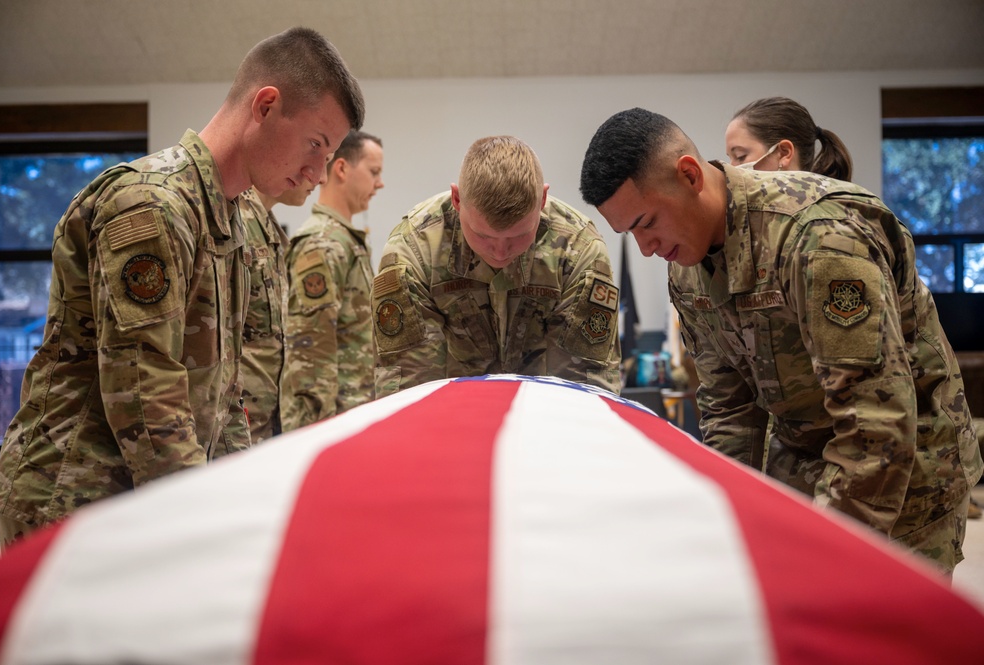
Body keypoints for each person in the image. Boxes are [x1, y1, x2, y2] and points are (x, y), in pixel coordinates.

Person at [0, 27, 365, 549]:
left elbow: (227, 388)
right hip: (74, 499)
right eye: (316, 145)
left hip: (139, 496)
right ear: (265, 105)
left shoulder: (229, 220)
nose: (318, 171)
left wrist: (238, 498)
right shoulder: (154, 206)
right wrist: (202, 524)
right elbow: (145, 393)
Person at [579, 107, 983, 574]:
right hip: (806, 462)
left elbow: (876, 422)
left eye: (647, 222)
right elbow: (729, 408)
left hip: (907, 478)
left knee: (890, 637)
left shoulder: (818, 236)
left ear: (689, 175)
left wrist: (825, 550)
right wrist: (736, 519)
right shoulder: (687, 268)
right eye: (630, 234)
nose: (645, 247)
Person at [373, 135, 622, 397]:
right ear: (457, 200)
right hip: (451, 415)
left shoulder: (577, 248)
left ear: (542, 201)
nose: (501, 252)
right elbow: (409, 390)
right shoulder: (416, 248)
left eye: (518, 236)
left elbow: (585, 387)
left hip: (544, 414)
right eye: (483, 236)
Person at [280, 130, 384, 430]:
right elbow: (310, 352)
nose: (380, 183)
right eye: (374, 172)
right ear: (341, 168)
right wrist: (314, 434)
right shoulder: (323, 244)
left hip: (355, 411)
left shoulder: (345, 240)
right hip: (334, 420)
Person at [238, 178, 315, 442]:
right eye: (314, 150)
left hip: (265, 420)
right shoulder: (236, 218)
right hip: (238, 426)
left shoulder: (269, 227)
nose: (320, 177)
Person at [724, 96, 853, 180]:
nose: (731, 168)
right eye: (730, 158)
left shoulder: (819, 215)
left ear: (784, 153)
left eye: (741, 157)